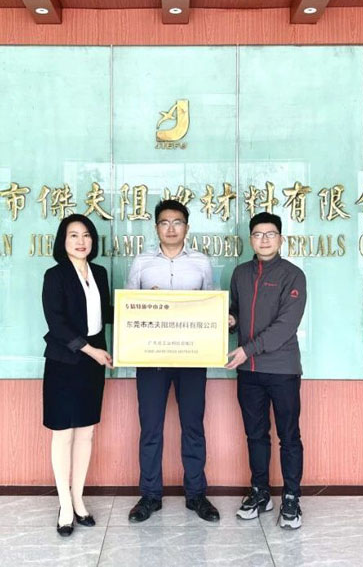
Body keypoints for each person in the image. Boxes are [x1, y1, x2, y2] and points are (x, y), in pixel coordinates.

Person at [125, 199, 220, 523]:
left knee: (193, 426)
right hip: (151, 359)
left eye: (177, 222)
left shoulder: (201, 263)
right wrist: (147, 301)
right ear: (156, 228)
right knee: (150, 428)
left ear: (186, 227)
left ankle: (196, 495)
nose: (171, 228)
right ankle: (150, 496)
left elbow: (211, 306)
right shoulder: (141, 263)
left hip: (192, 358)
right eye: (164, 222)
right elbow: (128, 309)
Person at [226, 212, 307, 529]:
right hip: (248, 372)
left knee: (289, 436)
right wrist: (230, 320)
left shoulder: (293, 275)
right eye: (258, 234)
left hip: (282, 369)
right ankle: (260, 492)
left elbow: (286, 326)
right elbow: (235, 312)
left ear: (281, 239)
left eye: (270, 234)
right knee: (255, 435)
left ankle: (291, 497)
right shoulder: (240, 273)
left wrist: (247, 349)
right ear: (250, 239)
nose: (264, 239)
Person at [42, 214, 113, 536]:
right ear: (63, 240)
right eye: (73, 235)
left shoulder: (99, 272)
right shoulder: (55, 275)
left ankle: (78, 498)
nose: (81, 241)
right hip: (64, 362)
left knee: (86, 433)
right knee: (63, 434)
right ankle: (65, 506)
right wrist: (91, 350)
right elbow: (57, 323)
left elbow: (106, 313)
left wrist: (145, 303)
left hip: (92, 364)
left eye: (86, 235)